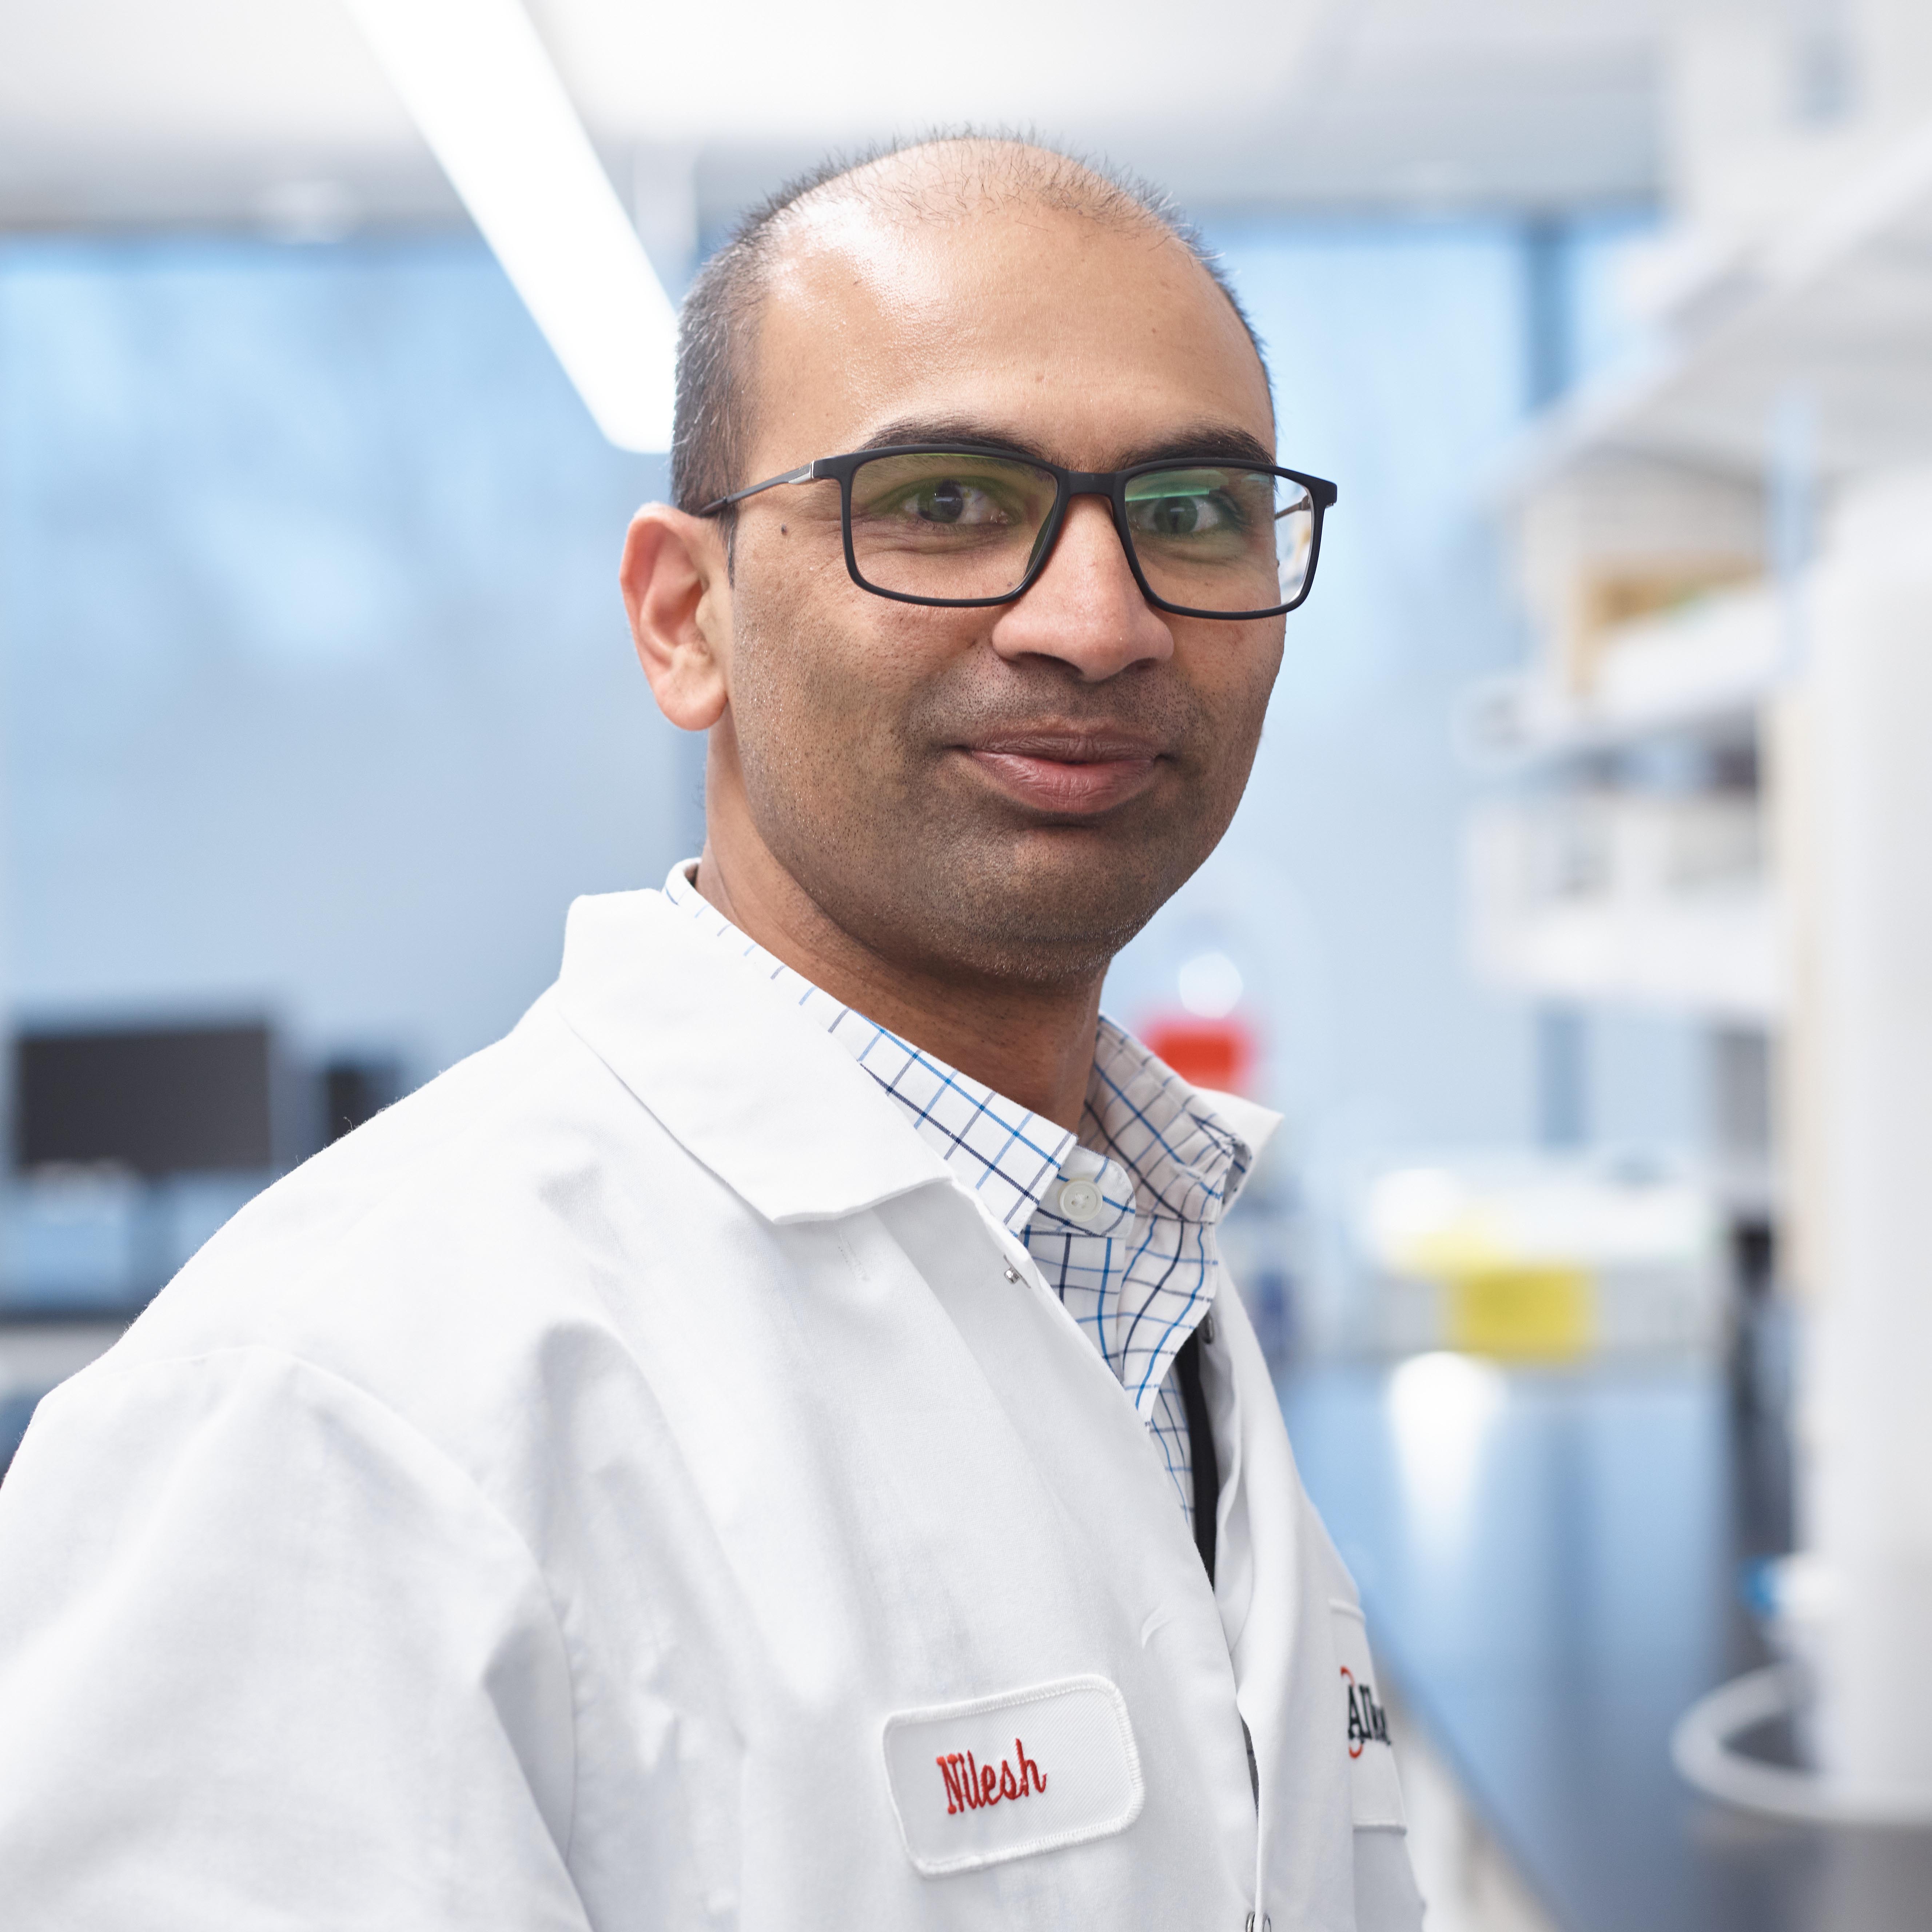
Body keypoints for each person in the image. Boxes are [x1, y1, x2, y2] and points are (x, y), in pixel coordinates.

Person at [0, 136, 1419, 1930]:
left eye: (1192, 513)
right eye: (942, 501)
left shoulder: (1138, 1274)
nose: (1098, 619)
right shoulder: (336, 1408)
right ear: (688, 620)